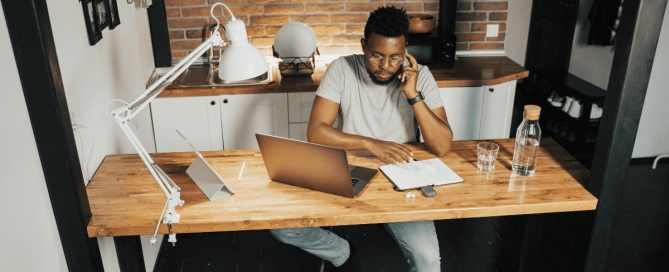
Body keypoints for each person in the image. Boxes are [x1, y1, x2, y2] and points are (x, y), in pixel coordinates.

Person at [269, 6, 453, 271]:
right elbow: (316, 131)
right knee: (282, 226)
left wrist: (413, 94)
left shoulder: (420, 75)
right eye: (377, 55)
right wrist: (370, 143)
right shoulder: (342, 69)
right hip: (347, 166)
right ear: (364, 45)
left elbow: (443, 145)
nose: (385, 66)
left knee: (427, 260)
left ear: (405, 50)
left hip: (402, 172)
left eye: (394, 57)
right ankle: (341, 251)